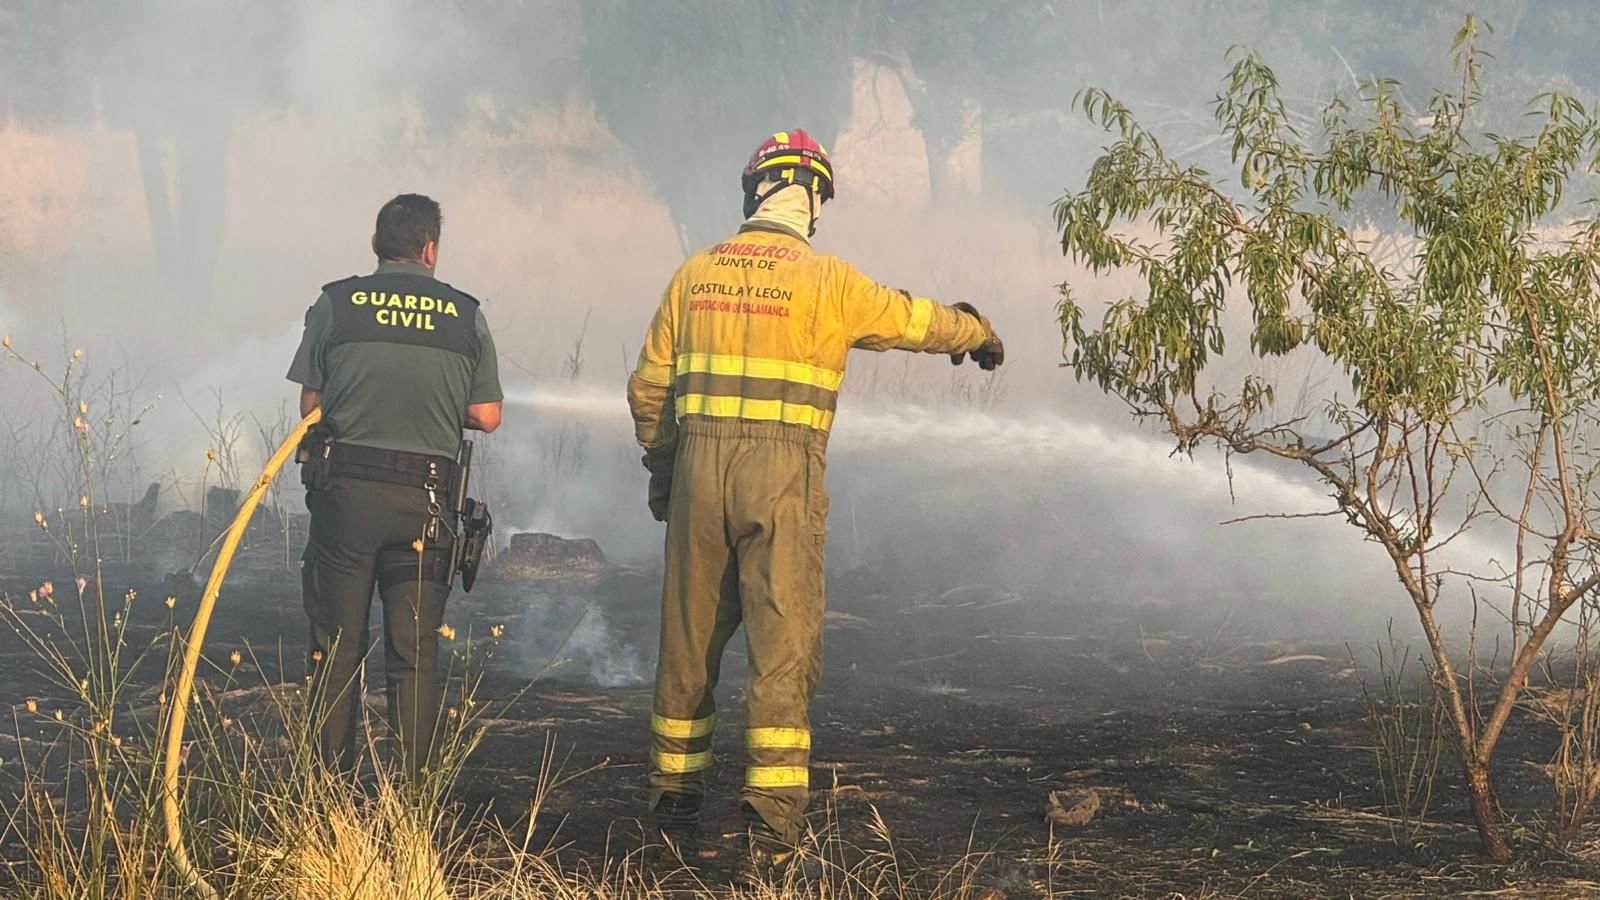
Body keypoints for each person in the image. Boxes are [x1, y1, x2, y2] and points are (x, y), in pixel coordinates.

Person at [626, 130, 1004, 881]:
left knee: (688, 642)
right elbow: (915, 320)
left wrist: (666, 474)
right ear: (815, 201)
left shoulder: (694, 274)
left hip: (698, 472)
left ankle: (673, 801)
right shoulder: (828, 281)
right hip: (782, 481)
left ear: (754, 190)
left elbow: (648, 389)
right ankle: (770, 831)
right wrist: (978, 329)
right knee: (782, 648)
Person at [286, 193, 503, 779]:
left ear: (376, 245)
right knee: (413, 658)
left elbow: (311, 405)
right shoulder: (464, 313)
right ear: (430, 249)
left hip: (346, 506)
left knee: (335, 654)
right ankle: (413, 804)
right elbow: (486, 415)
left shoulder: (336, 303)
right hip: (425, 508)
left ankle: (326, 801)